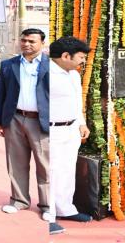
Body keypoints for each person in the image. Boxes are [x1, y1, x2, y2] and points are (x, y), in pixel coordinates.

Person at [0, 28, 50, 219]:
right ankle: (19, 200)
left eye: (32, 41)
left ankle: (48, 205)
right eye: (24, 40)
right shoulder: (9, 65)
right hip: (14, 119)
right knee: (16, 163)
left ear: (42, 43)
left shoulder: (52, 65)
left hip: (41, 121)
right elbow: (1, 94)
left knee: (45, 165)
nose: (26, 44)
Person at [47, 37, 93, 236]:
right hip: (51, 130)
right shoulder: (45, 74)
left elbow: (76, 101)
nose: (83, 61)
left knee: (66, 170)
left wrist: (81, 123)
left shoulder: (73, 75)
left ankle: (65, 209)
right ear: (66, 56)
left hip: (71, 129)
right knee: (51, 173)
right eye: (81, 57)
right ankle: (49, 217)